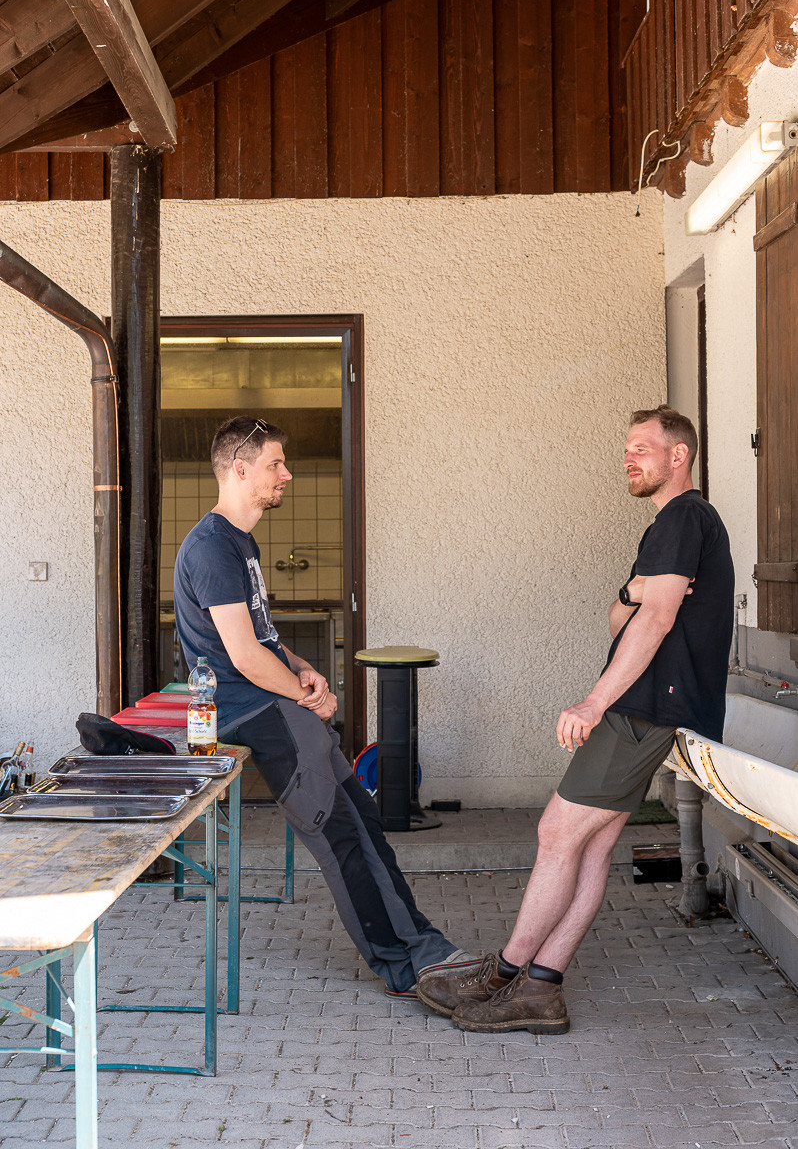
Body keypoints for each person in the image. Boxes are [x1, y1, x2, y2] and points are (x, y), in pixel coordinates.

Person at [417, 405, 734, 1034]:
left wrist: (594, 701)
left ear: (679, 456)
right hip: (649, 706)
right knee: (589, 847)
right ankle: (541, 987)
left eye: (642, 447)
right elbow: (621, 618)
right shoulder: (674, 526)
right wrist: (631, 591)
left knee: (558, 833)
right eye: (627, 448)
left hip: (644, 707)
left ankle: (506, 972)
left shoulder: (683, 518)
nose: (629, 458)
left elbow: (656, 619)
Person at [173, 415, 476, 998]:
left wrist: (301, 667)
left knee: (364, 825)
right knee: (343, 840)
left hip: (276, 706)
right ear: (239, 469)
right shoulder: (211, 546)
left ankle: (425, 948)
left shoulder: (239, 541)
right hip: (258, 714)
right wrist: (306, 694)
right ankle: (406, 966)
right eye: (275, 464)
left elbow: (260, 637)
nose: (286, 474)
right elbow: (242, 657)